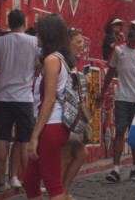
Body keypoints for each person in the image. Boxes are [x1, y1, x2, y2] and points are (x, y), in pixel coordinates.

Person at [22, 14, 74, 200]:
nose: (37, 36)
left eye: (39, 32)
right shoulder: (60, 58)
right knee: (29, 182)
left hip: (51, 126)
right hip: (53, 125)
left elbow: (49, 101)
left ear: (48, 34)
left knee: (53, 185)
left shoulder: (52, 60)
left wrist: (35, 136)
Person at [0, 9, 42, 191]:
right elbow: (38, 69)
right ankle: (30, 183)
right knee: (25, 140)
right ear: (24, 23)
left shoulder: (0, 41)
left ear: (8, 22)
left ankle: (1, 182)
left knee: (2, 139)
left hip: (2, 97)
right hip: (23, 98)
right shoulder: (34, 41)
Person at [101, 19, 135, 183]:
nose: (133, 31)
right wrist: (102, 92)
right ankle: (116, 169)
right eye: (132, 28)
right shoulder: (117, 48)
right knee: (119, 132)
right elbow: (110, 70)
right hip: (122, 97)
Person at [61, 29, 89, 200]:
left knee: (81, 154)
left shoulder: (70, 61)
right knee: (63, 157)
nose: (82, 45)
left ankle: (63, 191)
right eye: (78, 42)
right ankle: (59, 193)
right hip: (66, 118)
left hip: (73, 118)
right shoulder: (62, 62)